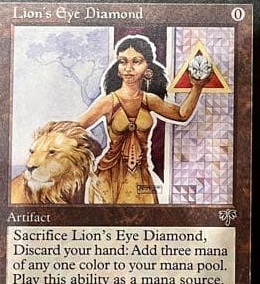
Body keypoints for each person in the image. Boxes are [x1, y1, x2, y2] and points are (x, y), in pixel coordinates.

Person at [77, 35, 208, 204]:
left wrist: (197, 86)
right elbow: (76, 127)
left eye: (136, 61)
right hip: (109, 176)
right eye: (123, 62)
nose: (128, 68)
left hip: (141, 175)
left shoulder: (149, 100)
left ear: (148, 68)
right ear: (118, 69)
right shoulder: (108, 102)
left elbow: (182, 115)